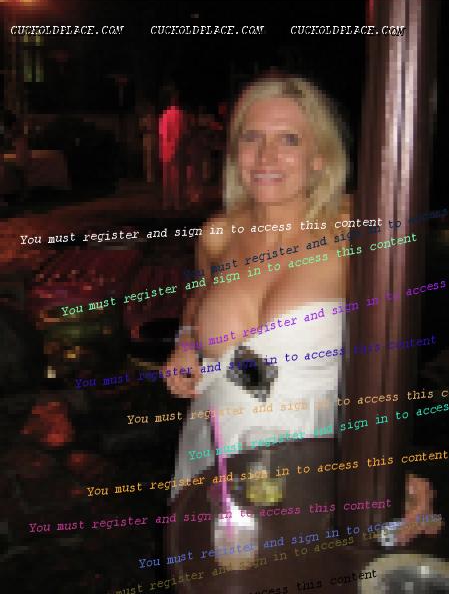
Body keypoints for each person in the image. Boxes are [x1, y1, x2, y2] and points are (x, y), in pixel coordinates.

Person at [163, 74, 441, 591]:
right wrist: (185, 342)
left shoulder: (355, 228)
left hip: (319, 457)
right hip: (215, 445)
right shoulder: (219, 233)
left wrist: (390, 463)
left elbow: (391, 354)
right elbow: (199, 297)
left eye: (289, 139)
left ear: (319, 157)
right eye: (252, 136)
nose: (266, 156)